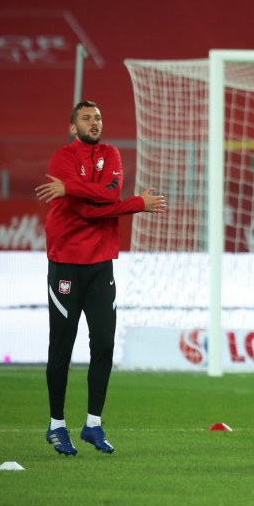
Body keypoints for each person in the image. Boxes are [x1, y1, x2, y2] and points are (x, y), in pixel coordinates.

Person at [35, 100, 166, 456]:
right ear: (73, 127)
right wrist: (135, 203)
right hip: (66, 263)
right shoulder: (62, 157)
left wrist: (74, 188)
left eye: (98, 118)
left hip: (100, 265)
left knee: (104, 343)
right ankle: (56, 425)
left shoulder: (112, 154)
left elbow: (108, 195)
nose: (95, 122)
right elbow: (86, 211)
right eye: (86, 118)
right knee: (62, 345)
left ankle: (93, 424)